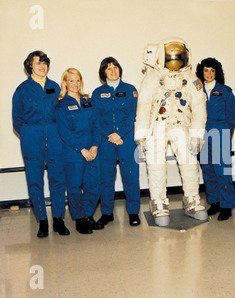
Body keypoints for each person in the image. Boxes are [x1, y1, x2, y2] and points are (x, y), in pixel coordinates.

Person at [135, 37, 208, 227]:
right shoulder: (152, 78)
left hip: (181, 124)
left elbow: (199, 107)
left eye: (178, 56)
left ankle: (192, 199)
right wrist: (141, 135)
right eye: (171, 56)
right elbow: (143, 106)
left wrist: (197, 134)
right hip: (157, 125)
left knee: (189, 162)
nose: (175, 60)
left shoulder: (191, 79)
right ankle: (158, 202)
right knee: (156, 164)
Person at [12, 50, 68, 238]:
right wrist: (30, 134)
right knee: (35, 181)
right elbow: (17, 120)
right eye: (38, 63)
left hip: (54, 137)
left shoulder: (55, 87)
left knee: (58, 180)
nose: (42, 66)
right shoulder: (22, 90)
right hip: (31, 138)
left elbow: (62, 114)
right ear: (30, 66)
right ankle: (42, 221)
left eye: (44, 63)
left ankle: (58, 219)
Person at [92, 57, 141, 227]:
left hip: (126, 139)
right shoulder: (97, 93)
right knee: (106, 178)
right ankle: (107, 213)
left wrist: (119, 134)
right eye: (108, 68)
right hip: (106, 141)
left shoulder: (130, 90)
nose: (113, 71)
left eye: (115, 67)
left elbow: (132, 115)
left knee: (131, 176)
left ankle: (133, 212)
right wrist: (110, 134)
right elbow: (96, 119)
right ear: (103, 72)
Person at [56, 68, 103, 234]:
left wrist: (95, 146)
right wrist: (81, 149)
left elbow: (97, 125)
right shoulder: (62, 105)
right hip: (73, 153)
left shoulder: (88, 101)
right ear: (65, 83)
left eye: (77, 80)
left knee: (94, 185)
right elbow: (64, 132)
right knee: (75, 187)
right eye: (71, 80)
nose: (75, 84)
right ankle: (79, 219)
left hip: (92, 151)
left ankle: (88, 214)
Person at [195, 57, 235, 221]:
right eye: (206, 70)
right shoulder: (197, 91)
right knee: (208, 170)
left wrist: (226, 131)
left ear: (217, 72)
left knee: (223, 171)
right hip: (202, 135)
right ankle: (214, 202)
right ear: (201, 72)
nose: (209, 74)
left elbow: (232, 114)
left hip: (220, 133)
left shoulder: (225, 90)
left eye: (212, 70)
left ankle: (226, 206)